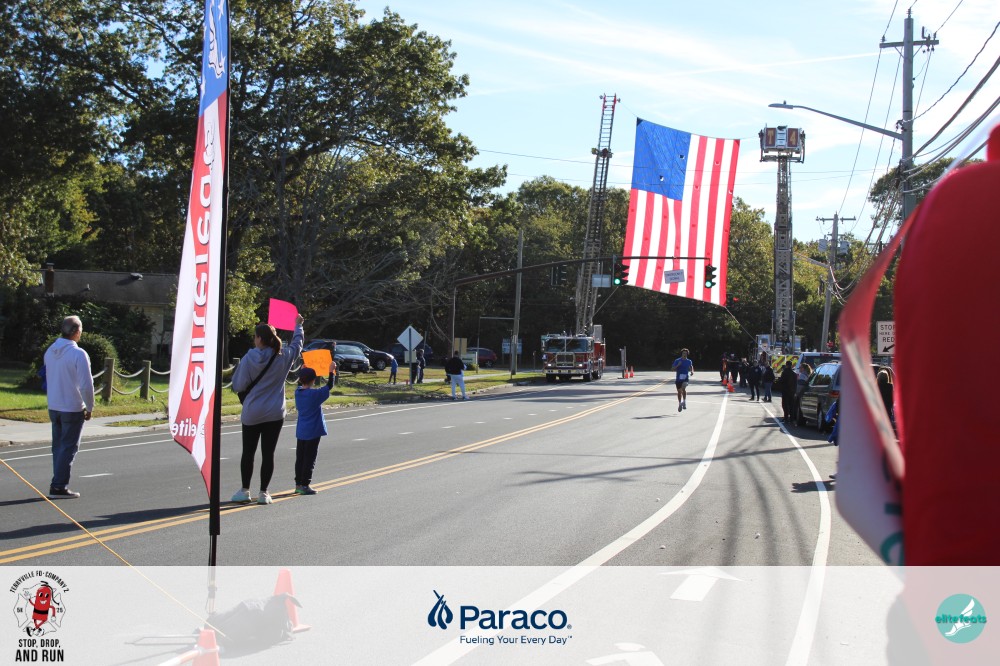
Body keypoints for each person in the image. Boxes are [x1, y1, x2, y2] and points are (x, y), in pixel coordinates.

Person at [231, 315, 304, 505]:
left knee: (248, 452)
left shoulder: (249, 358)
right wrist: (298, 326)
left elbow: (238, 385)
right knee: (268, 453)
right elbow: (297, 346)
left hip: (252, 411)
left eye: (255, 337)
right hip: (274, 412)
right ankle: (264, 492)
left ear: (259, 339)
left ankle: (245, 490)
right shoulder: (283, 356)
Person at [44, 316, 94, 499]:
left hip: (54, 404)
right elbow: (86, 385)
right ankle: (59, 485)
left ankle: (57, 481)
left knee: (58, 447)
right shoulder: (78, 354)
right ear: (76, 331)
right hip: (72, 406)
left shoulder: (50, 351)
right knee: (68, 448)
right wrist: (90, 406)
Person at [293, 361, 336, 495]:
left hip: (301, 431)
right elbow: (329, 386)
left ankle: (298, 484)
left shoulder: (298, 393)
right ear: (313, 380)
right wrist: (331, 371)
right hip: (313, 431)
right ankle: (305, 484)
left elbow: (300, 384)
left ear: (301, 380)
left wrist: (301, 370)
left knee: (300, 458)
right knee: (309, 459)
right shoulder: (314, 395)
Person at [670, 348, 694, 412]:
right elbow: (672, 369)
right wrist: (678, 365)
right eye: (683, 353)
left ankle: (684, 402)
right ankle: (680, 404)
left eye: (685, 353)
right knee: (679, 392)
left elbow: (691, 366)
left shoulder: (689, 361)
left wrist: (692, 371)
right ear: (682, 354)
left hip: (685, 377)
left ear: (687, 354)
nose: (684, 354)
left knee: (683, 388)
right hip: (678, 378)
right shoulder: (677, 360)